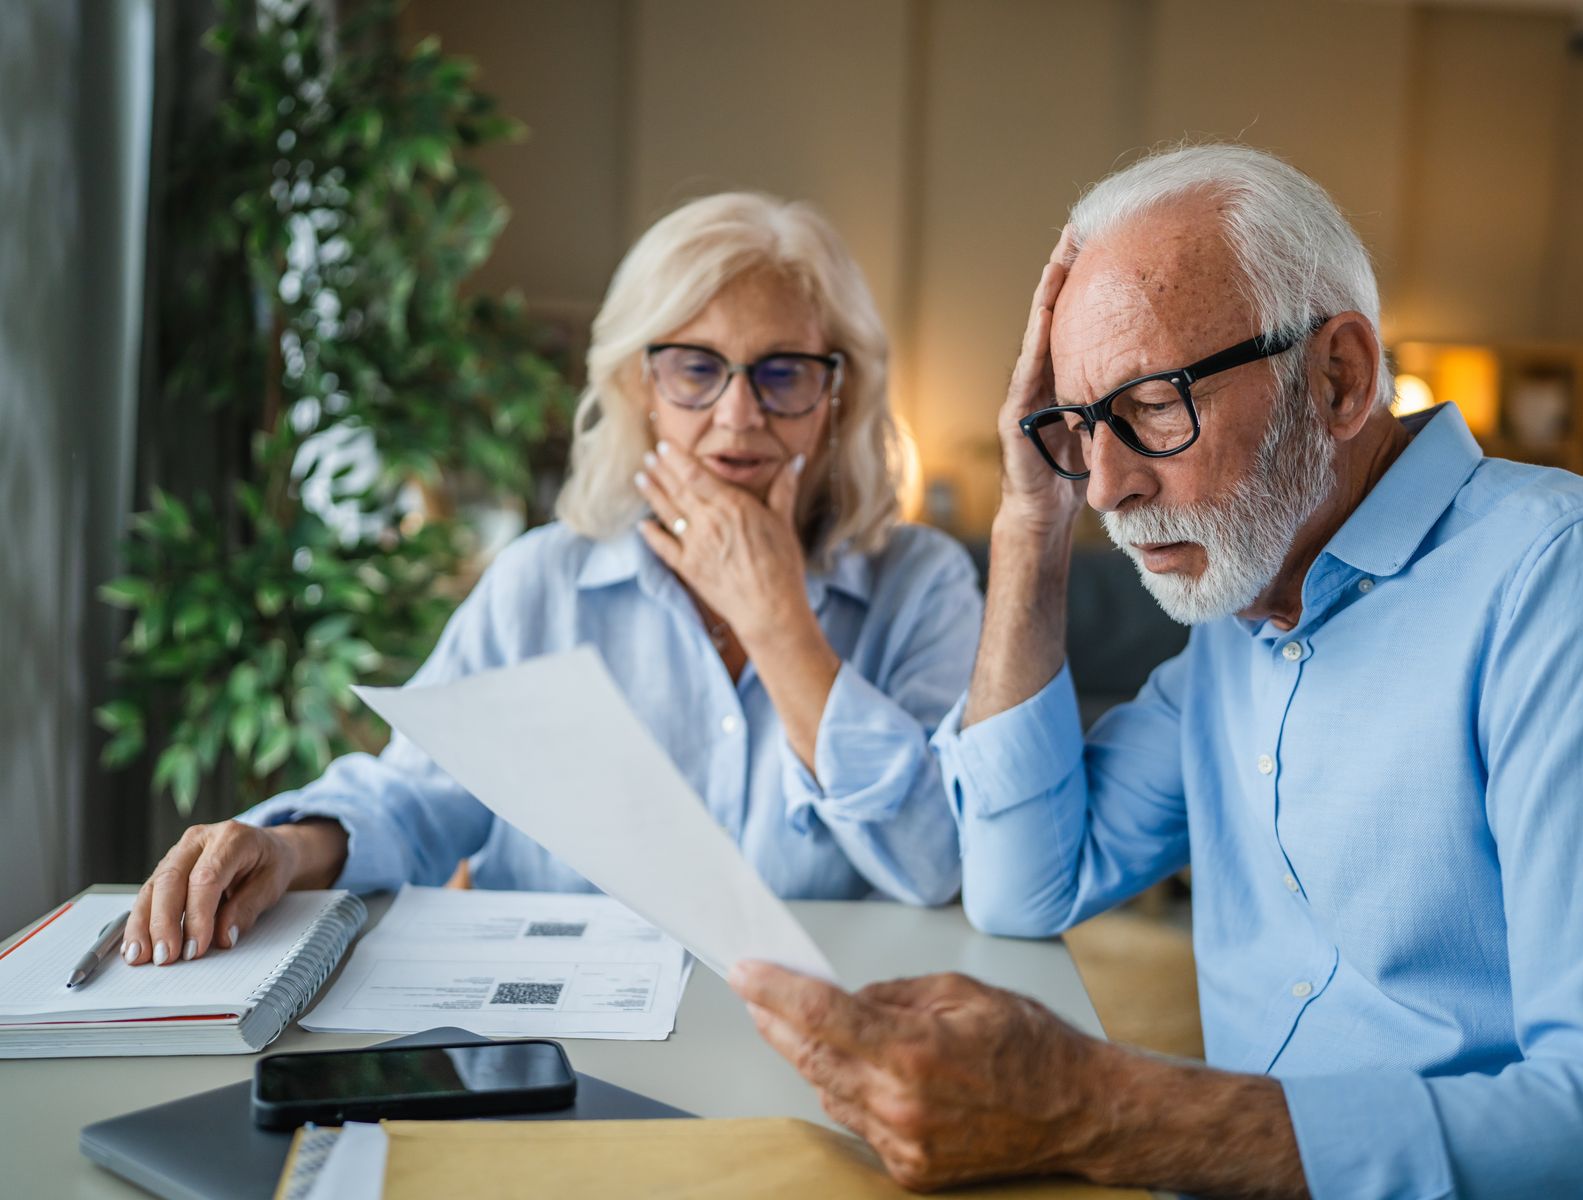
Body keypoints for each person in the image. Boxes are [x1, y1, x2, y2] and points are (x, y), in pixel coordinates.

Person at [730, 145, 1583, 1198]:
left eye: (1152, 404)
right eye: (1080, 425)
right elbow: (1023, 882)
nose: (1104, 486)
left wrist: (1098, 1108)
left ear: (1339, 377)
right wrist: (1027, 516)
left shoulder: (1576, 578)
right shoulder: (1241, 618)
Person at [124, 192, 982, 970]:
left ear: (838, 394)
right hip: (565, 1038)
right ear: (641, 387)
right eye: (696, 368)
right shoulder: (543, 581)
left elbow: (934, 863)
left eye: (782, 373)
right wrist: (286, 848)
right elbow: (417, 798)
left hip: (824, 1040)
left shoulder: (921, 583)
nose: (737, 416)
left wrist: (778, 624)